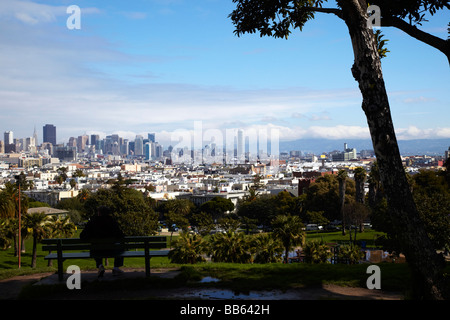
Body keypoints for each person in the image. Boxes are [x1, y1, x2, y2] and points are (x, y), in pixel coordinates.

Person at [80, 206, 125, 278]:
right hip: (112, 250)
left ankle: (100, 266)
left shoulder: (92, 222)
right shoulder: (113, 222)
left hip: (97, 251)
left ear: (99, 213)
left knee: (95, 247)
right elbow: (121, 236)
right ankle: (116, 268)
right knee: (121, 247)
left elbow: (82, 236)